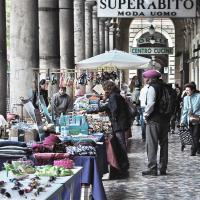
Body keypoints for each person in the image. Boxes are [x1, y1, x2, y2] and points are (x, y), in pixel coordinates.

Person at [142, 69, 170, 176]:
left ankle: (152, 168)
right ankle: (163, 168)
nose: (145, 80)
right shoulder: (166, 86)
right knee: (164, 144)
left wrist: (145, 115)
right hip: (165, 120)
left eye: (146, 78)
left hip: (154, 120)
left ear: (150, 78)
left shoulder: (152, 88)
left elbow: (150, 104)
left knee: (152, 144)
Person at [100, 80, 131, 176]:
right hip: (121, 123)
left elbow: (114, 110)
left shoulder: (114, 96)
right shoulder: (116, 95)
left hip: (119, 124)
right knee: (121, 144)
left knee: (121, 145)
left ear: (107, 89)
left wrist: (112, 121)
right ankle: (123, 165)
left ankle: (123, 166)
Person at [180, 83, 200, 156]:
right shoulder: (186, 98)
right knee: (193, 135)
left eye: (188, 90)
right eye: (186, 90)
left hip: (198, 118)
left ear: (193, 90)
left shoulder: (198, 97)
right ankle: (198, 147)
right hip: (190, 119)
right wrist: (182, 121)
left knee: (195, 135)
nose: (186, 92)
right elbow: (185, 110)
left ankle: (193, 150)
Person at [139, 76, 150, 142]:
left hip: (143, 106)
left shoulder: (143, 89)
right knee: (149, 121)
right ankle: (149, 136)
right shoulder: (151, 89)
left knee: (143, 122)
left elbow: (140, 98)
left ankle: (144, 137)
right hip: (148, 106)